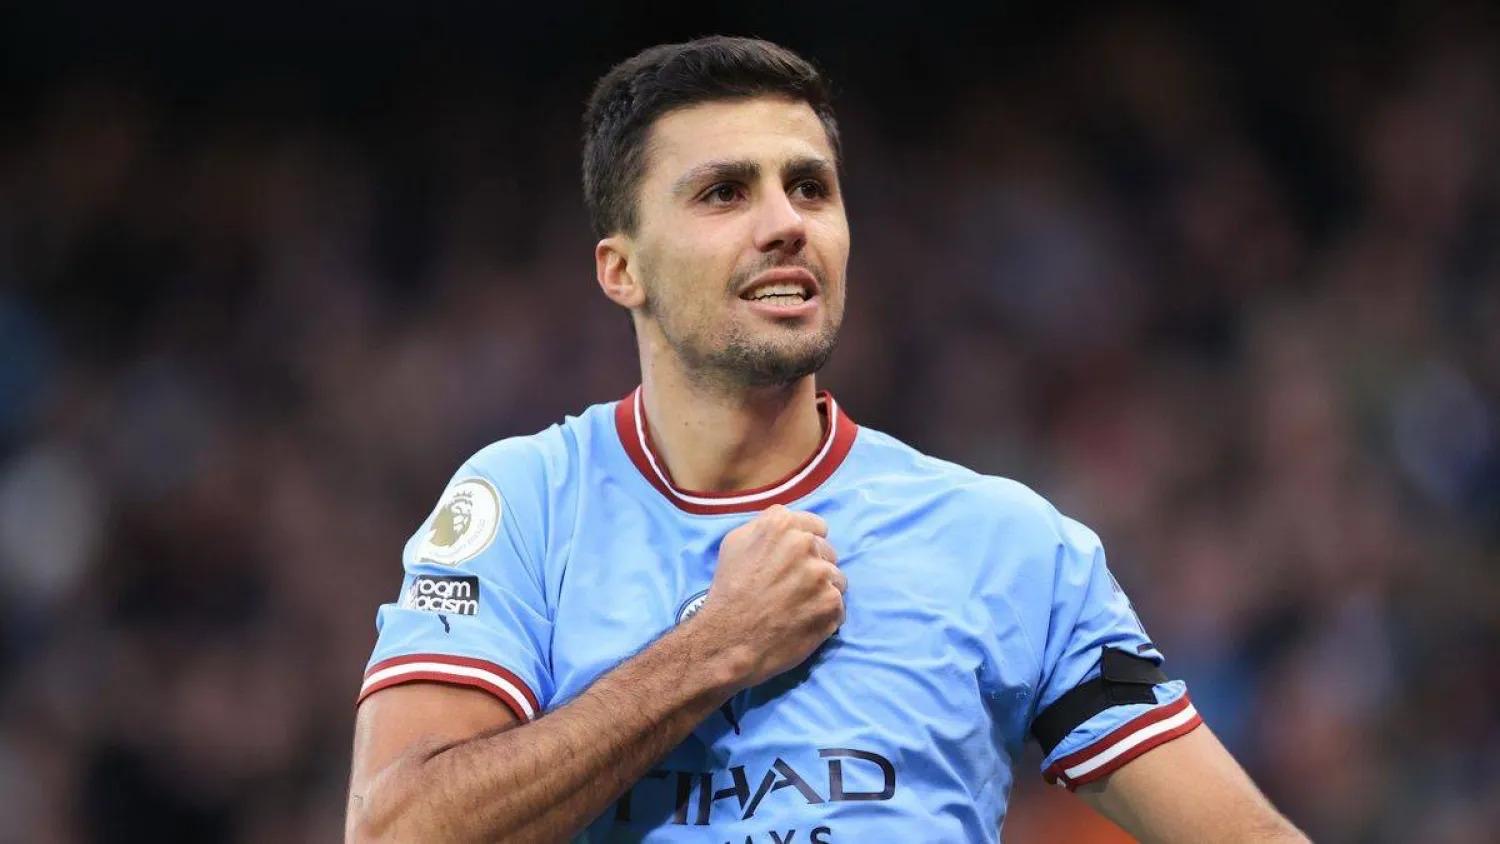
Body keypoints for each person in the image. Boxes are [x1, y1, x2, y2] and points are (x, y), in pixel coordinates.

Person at [345, 36, 1305, 843]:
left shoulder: (1006, 544)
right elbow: (395, 831)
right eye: (724, 193)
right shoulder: (525, 507)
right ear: (620, 269)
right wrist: (714, 650)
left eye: (810, 187)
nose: (786, 224)